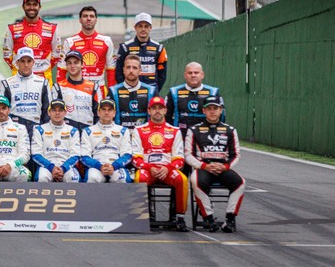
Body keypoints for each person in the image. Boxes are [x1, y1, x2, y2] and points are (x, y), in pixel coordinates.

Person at [185, 96, 245, 233]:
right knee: (195, 182)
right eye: (209, 109)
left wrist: (226, 166)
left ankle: (229, 219)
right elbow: (188, 155)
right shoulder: (194, 130)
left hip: (223, 168)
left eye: (215, 109)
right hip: (203, 168)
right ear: (203, 111)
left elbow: (236, 154)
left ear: (221, 110)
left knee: (241, 183)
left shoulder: (230, 130)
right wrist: (204, 166)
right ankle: (209, 218)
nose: (212, 112)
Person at [131, 96, 189, 232]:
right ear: (148, 111)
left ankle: (179, 217)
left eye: (160, 108)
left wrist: (168, 168)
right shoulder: (139, 130)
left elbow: (179, 157)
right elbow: (136, 157)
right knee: (139, 178)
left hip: (167, 169)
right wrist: (148, 167)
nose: (157, 111)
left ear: (165, 110)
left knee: (182, 179)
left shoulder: (175, 130)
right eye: (154, 108)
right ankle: (144, 216)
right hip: (147, 168)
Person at [1, 0, 61, 83]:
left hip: (44, 79)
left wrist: (44, 68)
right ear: (23, 7)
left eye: (35, 4)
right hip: (19, 79)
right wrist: (19, 69)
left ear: (39, 7)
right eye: (28, 4)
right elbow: (7, 55)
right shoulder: (12, 29)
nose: (31, 7)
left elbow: (57, 55)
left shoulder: (52, 29)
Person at [59, 6, 115, 89]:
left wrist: (112, 93)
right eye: (85, 16)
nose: (88, 19)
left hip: (99, 90)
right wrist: (61, 91)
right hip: (76, 90)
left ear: (96, 20)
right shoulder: (70, 42)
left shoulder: (107, 41)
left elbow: (111, 70)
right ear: (80, 20)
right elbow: (62, 69)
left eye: (91, 16)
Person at [80, 98, 134, 183]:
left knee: (122, 179)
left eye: (110, 110)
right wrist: (99, 166)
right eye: (103, 109)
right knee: (91, 178)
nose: (106, 112)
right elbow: (84, 156)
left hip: (116, 166)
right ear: (98, 112)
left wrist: (114, 166)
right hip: (96, 166)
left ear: (114, 113)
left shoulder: (123, 131)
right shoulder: (88, 131)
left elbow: (127, 155)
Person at [0, 46, 50, 133]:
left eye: (29, 61)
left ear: (33, 62)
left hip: (36, 129)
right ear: (17, 62)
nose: (26, 65)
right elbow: (0, 110)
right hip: (13, 129)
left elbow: (47, 112)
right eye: (22, 61)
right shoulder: (7, 84)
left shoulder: (43, 83)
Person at [31, 99, 82, 182]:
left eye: (60, 110)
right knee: (41, 178)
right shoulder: (39, 130)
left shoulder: (73, 131)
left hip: (66, 166)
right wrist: (51, 168)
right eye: (54, 110)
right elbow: (36, 154)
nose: (57, 113)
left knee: (74, 178)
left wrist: (63, 168)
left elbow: (75, 155)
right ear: (48, 112)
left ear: (65, 113)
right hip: (46, 166)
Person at [114, 12, 167, 91]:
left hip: (151, 91)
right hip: (130, 91)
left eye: (146, 26)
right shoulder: (125, 47)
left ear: (150, 28)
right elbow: (118, 73)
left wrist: (154, 91)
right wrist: (126, 89)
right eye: (140, 26)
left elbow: (162, 75)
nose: (143, 29)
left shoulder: (159, 48)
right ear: (135, 27)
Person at [167, 62, 223, 137]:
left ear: (202, 75)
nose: (193, 75)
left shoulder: (213, 92)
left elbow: (222, 116)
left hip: (206, 137)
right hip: (181, 137)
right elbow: (166, 116)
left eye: (196, 73)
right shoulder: (174, 92)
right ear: (185, 75)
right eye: (190, 73)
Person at [54, 49, 101, 131]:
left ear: (82, 64)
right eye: (69, 63)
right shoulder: (58, 87)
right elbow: (54, 114)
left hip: (88, 134)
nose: (72, 66)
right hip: (66, 134)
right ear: (66, 66)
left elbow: (99, 114)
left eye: (76, 62)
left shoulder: (94, 87)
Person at [109, 55, 156, 128]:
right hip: (121, 136)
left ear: (140, 71)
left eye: (134, 68)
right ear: (124, 70)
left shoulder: (151, 91)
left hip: (144, 136)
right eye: (128, 67)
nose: (131, 71)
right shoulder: (113, 91)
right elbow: (107, 117)